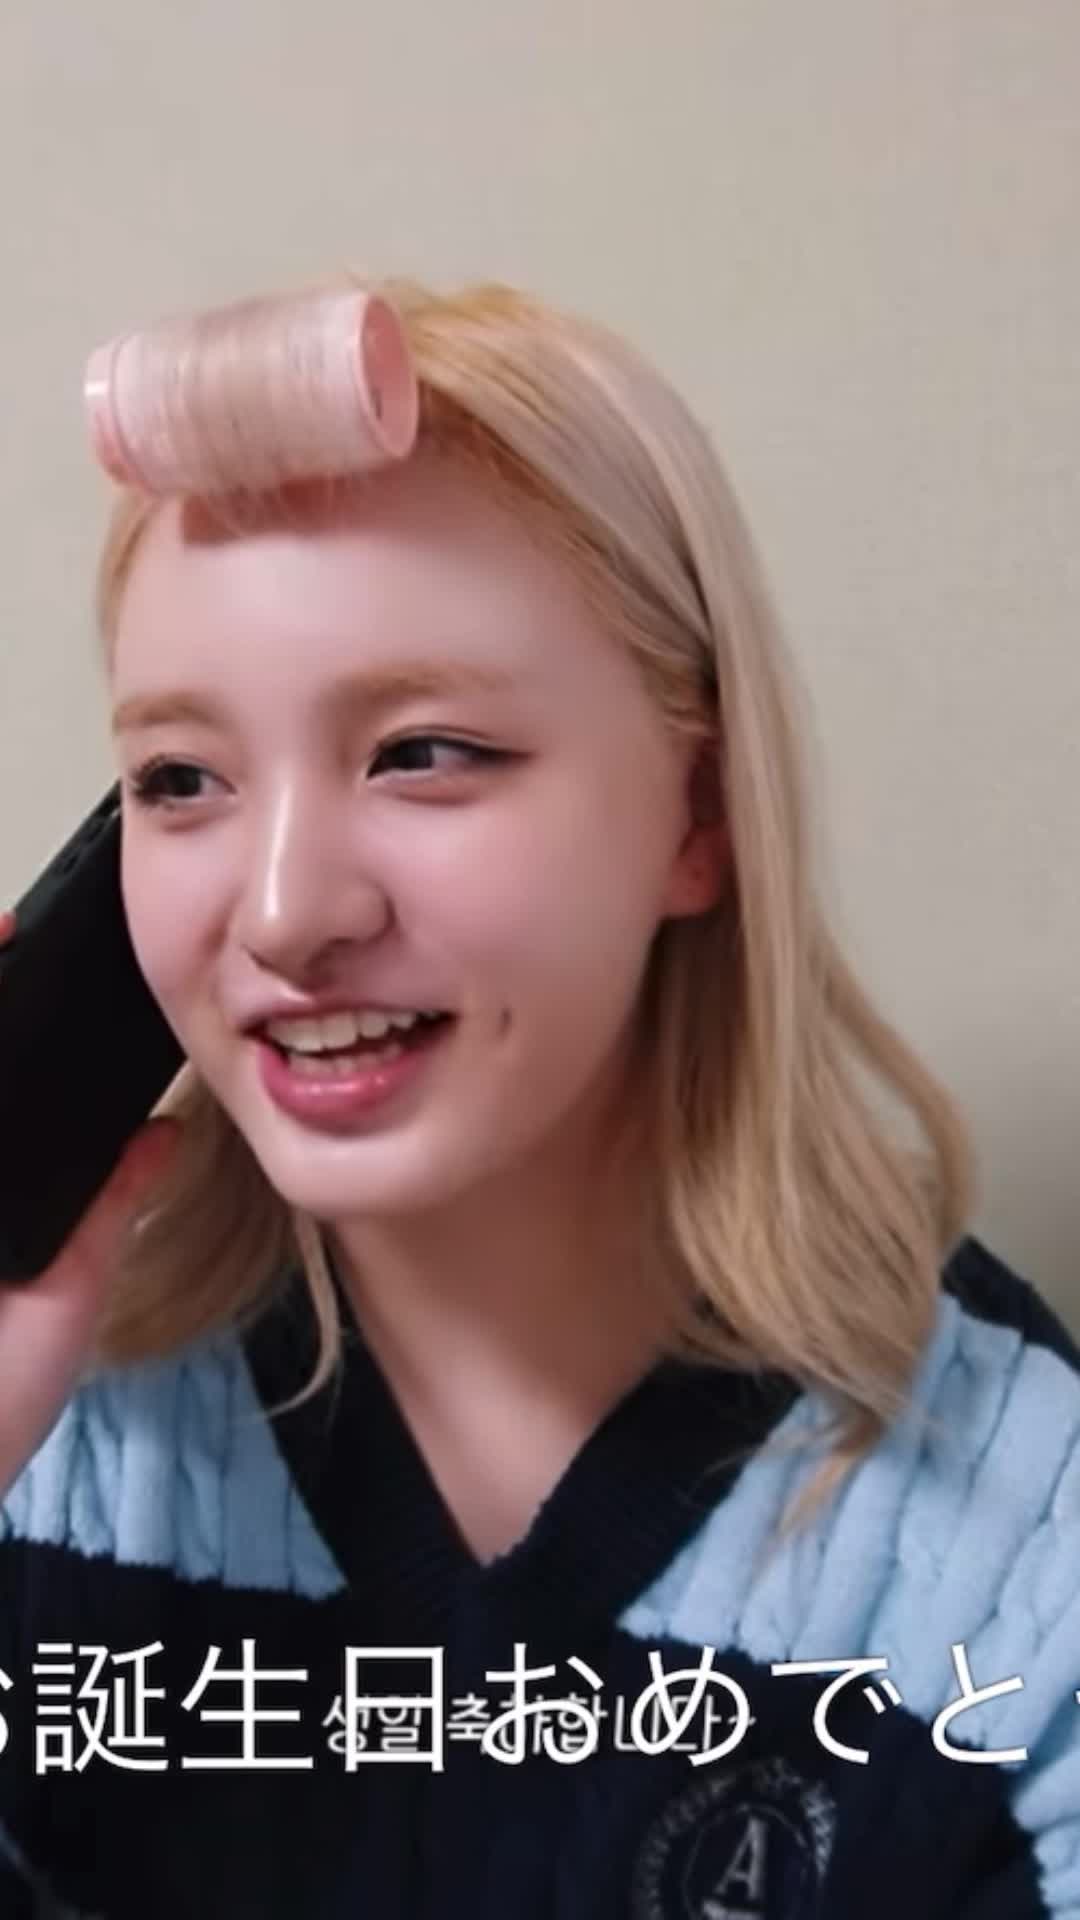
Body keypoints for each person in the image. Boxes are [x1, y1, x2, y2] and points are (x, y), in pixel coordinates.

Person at [0, 274, 1076, 1919]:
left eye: (425, 751)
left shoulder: (1021, 1548)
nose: (282, 913)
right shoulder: (60, 1441)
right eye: (181, 779)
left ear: (698, 817)